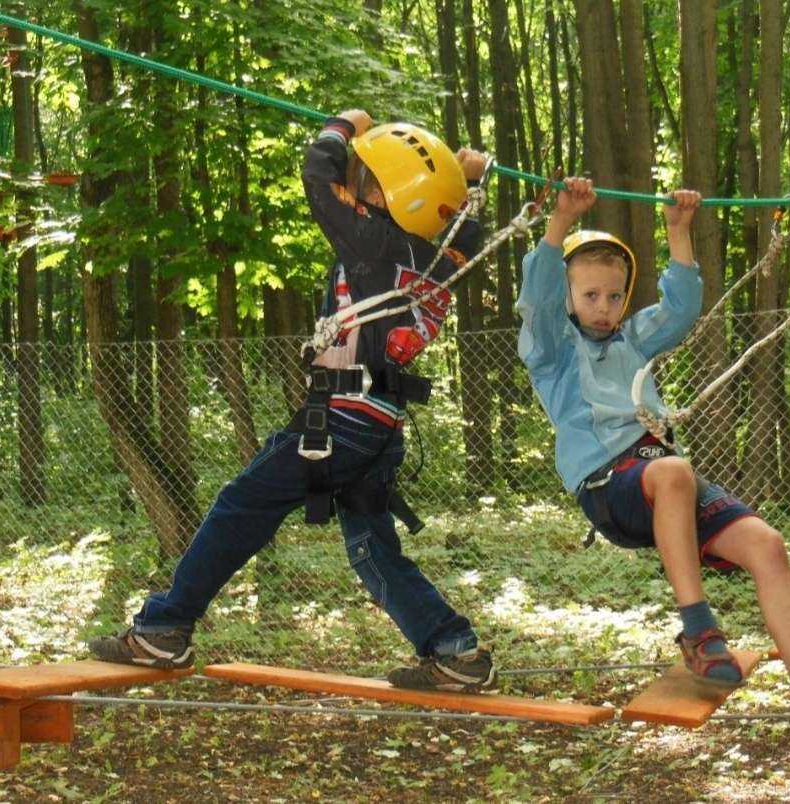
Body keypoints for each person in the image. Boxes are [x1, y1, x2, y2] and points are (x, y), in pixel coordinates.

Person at [90, 110, 496, 693]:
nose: (353, 186)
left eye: (365, 180)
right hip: (379, 426)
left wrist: (342, 126)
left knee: (240, 506)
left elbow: (316, 177)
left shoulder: (374, 244)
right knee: (369, 544)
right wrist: (469, 182)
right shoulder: (437, 259)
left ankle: (165, 628)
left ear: (385, 196)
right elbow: (463, 229)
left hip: (340, 420)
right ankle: (453, 649)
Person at [516, 177, 790, 734]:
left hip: (667, 483)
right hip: (608, 484)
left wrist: (678, 230)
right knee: (672, 471)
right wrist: (560, 223)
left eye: (614, 296)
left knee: (766, 545)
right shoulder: (552, 351)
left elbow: (681, 308)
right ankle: (698, 629)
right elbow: (538, 296)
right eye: (590, 295)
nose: (604, 307)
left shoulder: (632, 341)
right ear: (569, 298)